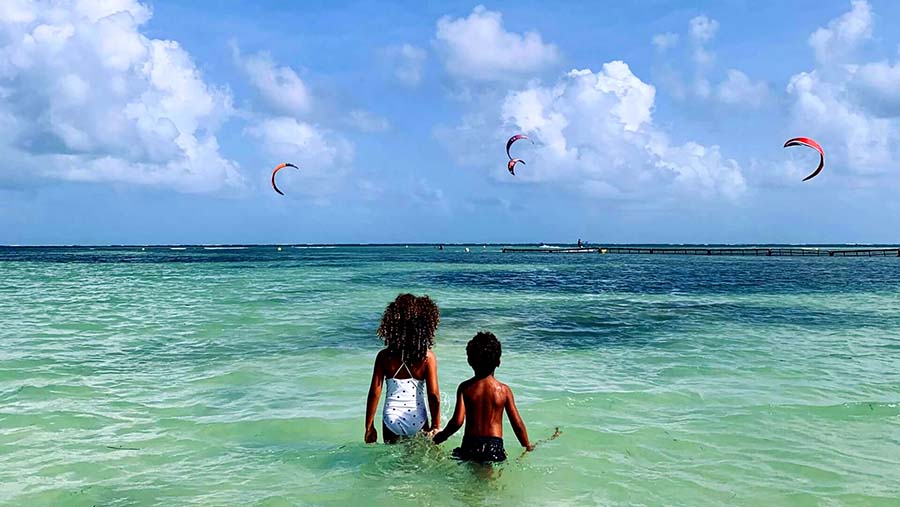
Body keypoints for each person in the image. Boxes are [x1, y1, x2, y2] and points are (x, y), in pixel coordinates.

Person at [433, 332, 533, 463]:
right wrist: (527, 446)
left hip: (470, 444)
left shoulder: (465, 388)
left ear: (469, 361)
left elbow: (457, 422)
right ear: (498, 362)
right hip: (494, 445)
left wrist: (440, 437)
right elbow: (517, 424)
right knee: (490, 479)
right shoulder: (504, 391)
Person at [365, 294, 441, 444]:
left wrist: (369, 427)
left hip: (391, 418)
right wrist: (436, 425)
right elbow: (433, 395)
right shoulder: (427, 358)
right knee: (418, 462)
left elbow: (375, 392)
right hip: (417, 417)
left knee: (393, 463)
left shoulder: (384, 356)